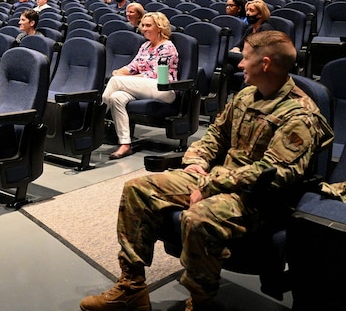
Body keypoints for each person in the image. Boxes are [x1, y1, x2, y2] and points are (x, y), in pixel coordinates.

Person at [80, 30, 333, 311]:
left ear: (264, 64)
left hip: (260, 197)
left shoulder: (300, 114)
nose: (238, 64)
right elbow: (216, 135)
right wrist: (197, 160)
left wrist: (211, 184)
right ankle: (132, 288)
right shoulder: (247, 94)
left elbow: (272, 172)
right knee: (138, 189)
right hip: (219, 178)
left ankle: (200, 303)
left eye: (245, 58)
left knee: (199, 217)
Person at [102, 12, 179, 160]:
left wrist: (122, 78)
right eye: (142, 25)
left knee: (115, 82)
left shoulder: (167, 47)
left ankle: (96, 122)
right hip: (145, 87)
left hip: (164, 89)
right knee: (116, 97)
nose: (143, 28)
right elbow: (133, 66)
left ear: (160, 27)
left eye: (148, 25)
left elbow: (155, 74)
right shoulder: (145, 46)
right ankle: (125, 143)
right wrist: (120, 71)